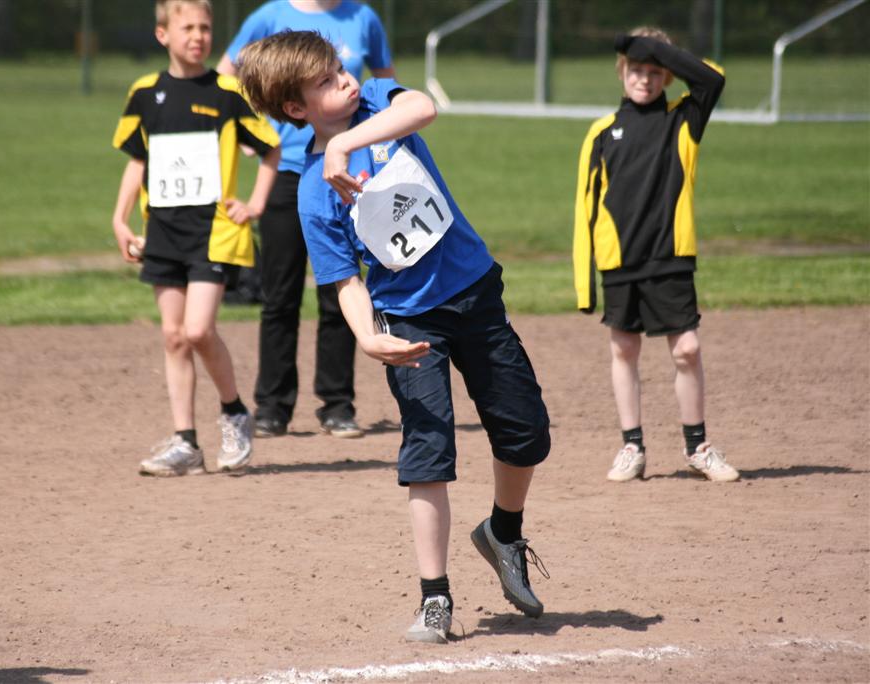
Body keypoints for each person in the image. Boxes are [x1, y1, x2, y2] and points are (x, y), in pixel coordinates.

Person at [236, 30, 552, 644]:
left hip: (475, 295)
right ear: (296, 107)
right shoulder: (313, 192)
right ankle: (435, 597)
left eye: (339, 68)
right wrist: (366, 336)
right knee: (428, 450)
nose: (345, 79)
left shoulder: (379, 102)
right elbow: (342, 279)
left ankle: (503, 533)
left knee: (526, 434)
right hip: (408, 321)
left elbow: (424, 107)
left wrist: (345, 141)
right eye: (326, 81)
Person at [111, 0, 281, 476]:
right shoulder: (145, 93)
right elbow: (138, 160)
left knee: (198, 330)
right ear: (163, 34)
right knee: (173, 335)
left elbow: (270, 148)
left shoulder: (228, 92)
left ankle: (235, 412)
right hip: (162, 231)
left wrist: (255, 205)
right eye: (186, 27)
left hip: (215, 233)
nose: (198, 36)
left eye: (204, 28)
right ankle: (185, 441)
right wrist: (120, 219)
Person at [216, 0, 395, 440]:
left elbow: (387, 80)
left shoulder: (362, 17)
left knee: (340, 288)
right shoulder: (269, 15)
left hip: (348, 171)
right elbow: (225, 75)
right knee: (280, 294)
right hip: (287, 171)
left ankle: (337, 405)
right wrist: (245, 132)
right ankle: (273, 407)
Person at [573, 27, 739, 483]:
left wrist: (656, 49)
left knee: (687, 349)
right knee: (625, 349)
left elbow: (712, 79)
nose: (644, 79)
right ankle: (632, 447)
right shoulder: (601, 132)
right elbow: (585, 210)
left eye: (654, 71)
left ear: (666, 74)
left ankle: (697, 447)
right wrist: (584, 285)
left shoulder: (683, 119)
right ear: (621, 71)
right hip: (619, 262)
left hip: (670, 256)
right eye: (636, 69)